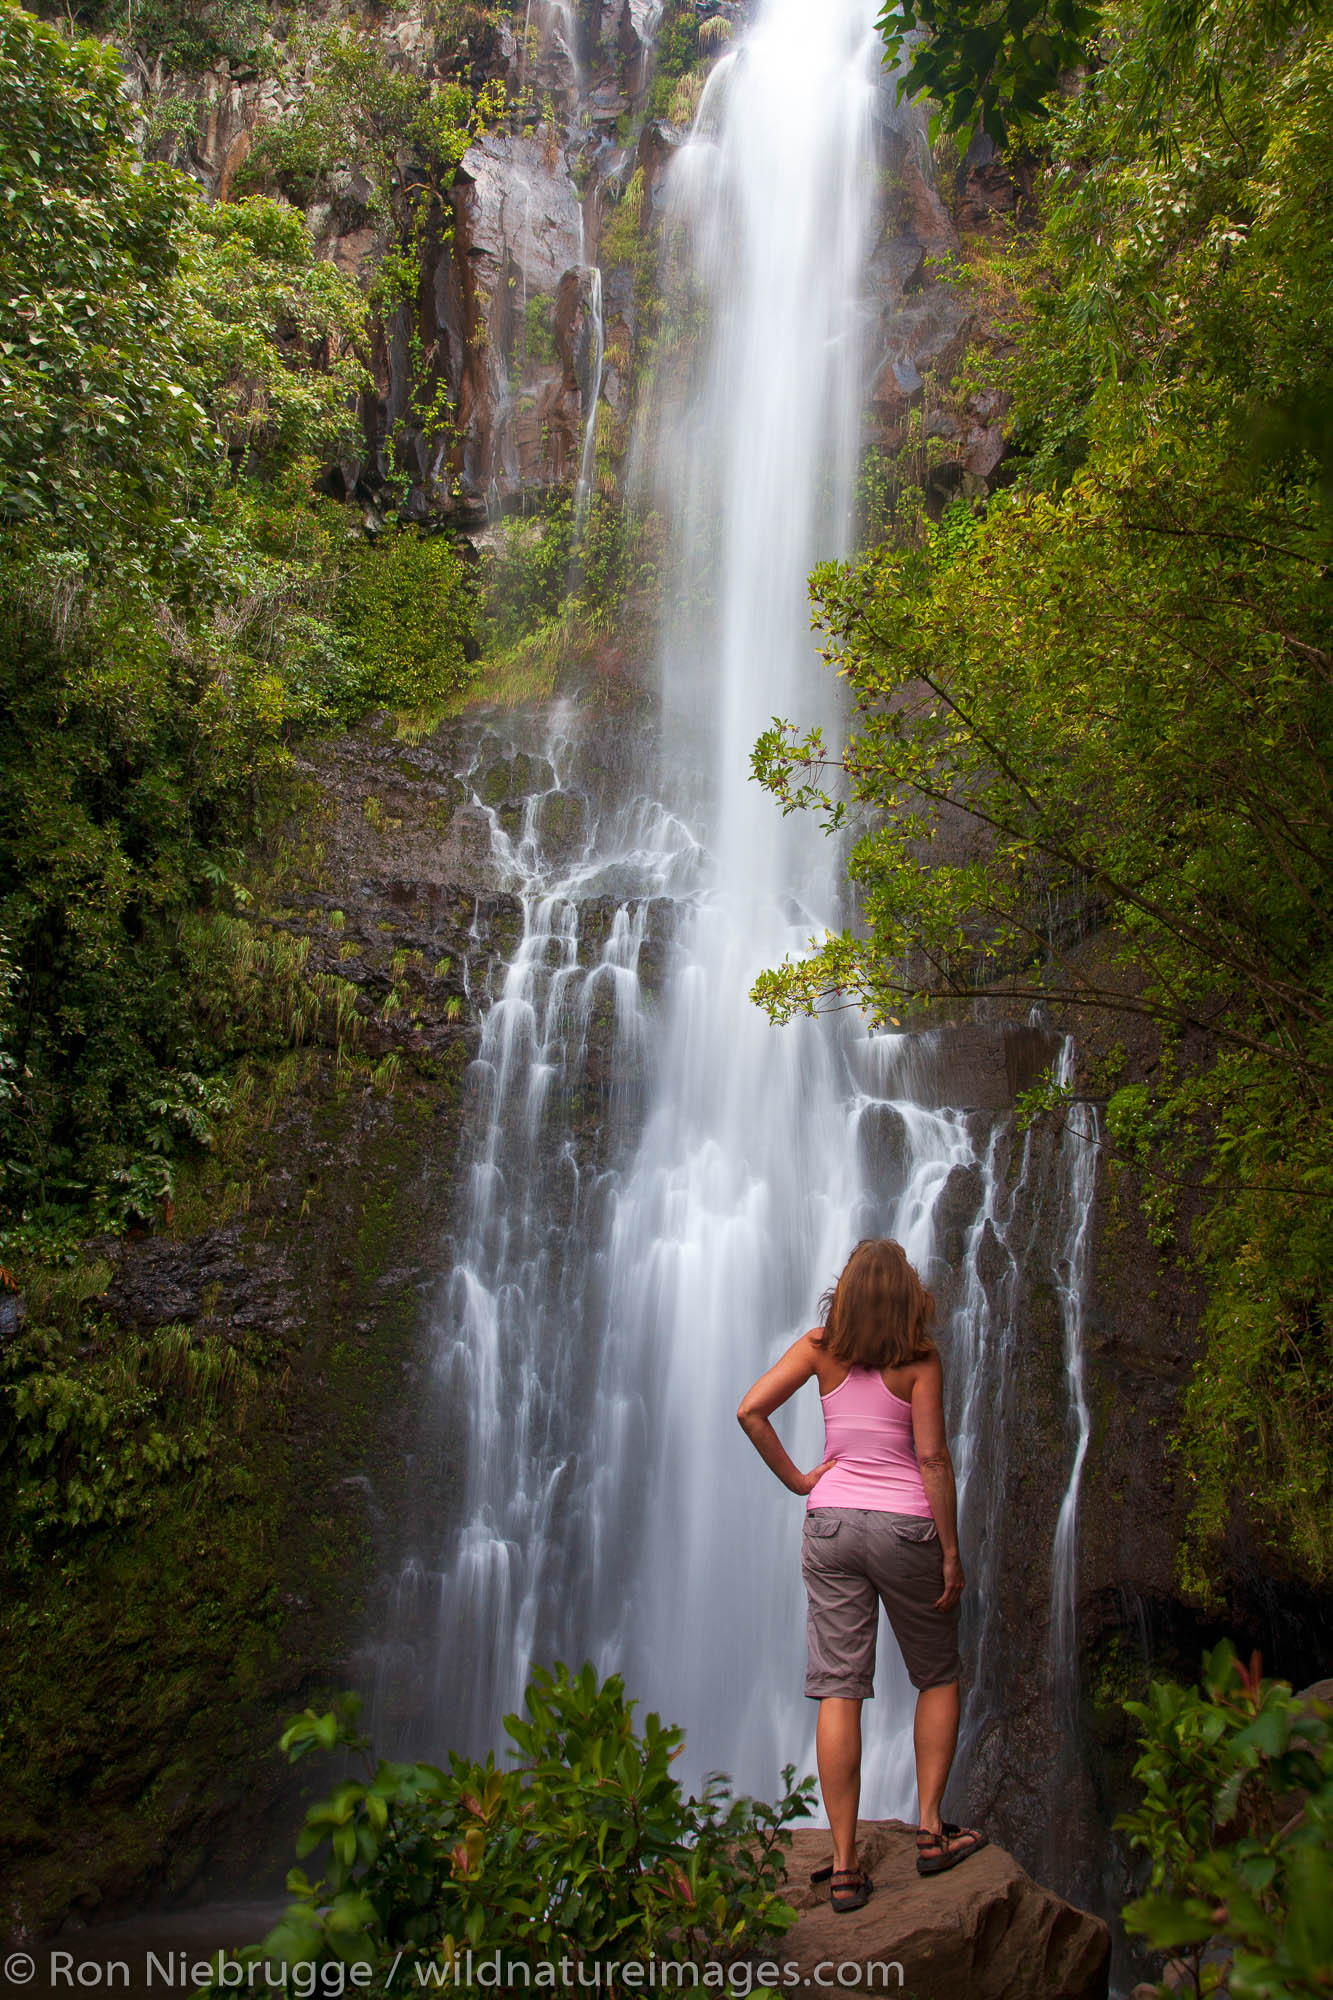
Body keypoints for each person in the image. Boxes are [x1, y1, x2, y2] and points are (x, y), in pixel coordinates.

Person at [737, 1237, 986, 1912]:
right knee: (935, 1674)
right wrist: (950, 1554)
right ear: (907, 1295)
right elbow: (932, 1460)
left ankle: (844, 1866)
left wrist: (797, 1480)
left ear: (843, 1291)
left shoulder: (819, 1348)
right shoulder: (919, 1359)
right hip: (906, 1526)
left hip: (833, 1525)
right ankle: (930, 1832)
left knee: (839, 1689)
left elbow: (749, 1410)